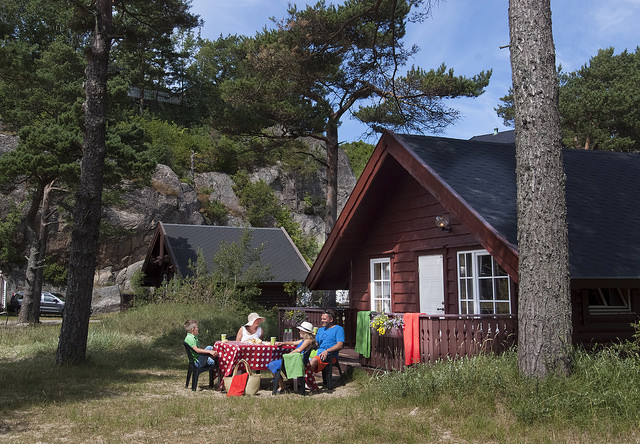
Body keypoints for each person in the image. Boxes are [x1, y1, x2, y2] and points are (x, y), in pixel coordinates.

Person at [269, 321, 319, 394]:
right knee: (275, 365)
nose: (299, 332)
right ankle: (288, 382)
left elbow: (299, 350)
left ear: (305, 332)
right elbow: (294, 343)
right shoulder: (305, 340)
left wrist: (288, 355)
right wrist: (283, 343)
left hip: (297, 361)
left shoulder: (308, 340)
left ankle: (281, 385)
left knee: (272, 364)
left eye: (300, 331)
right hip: (296, 360)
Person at [309, 309, 344, 373]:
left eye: (324, 319)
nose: (322, 321)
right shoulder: (320, 330)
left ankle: (308, 380)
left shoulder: (338, 329)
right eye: (321, 319)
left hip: (330, 355)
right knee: (302, 359)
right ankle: (299, 381)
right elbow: (317, 344)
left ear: (331, 320)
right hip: (318, 353)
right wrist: (311, 340)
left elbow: (340, 345)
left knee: (313, 360)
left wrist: (327, 350)